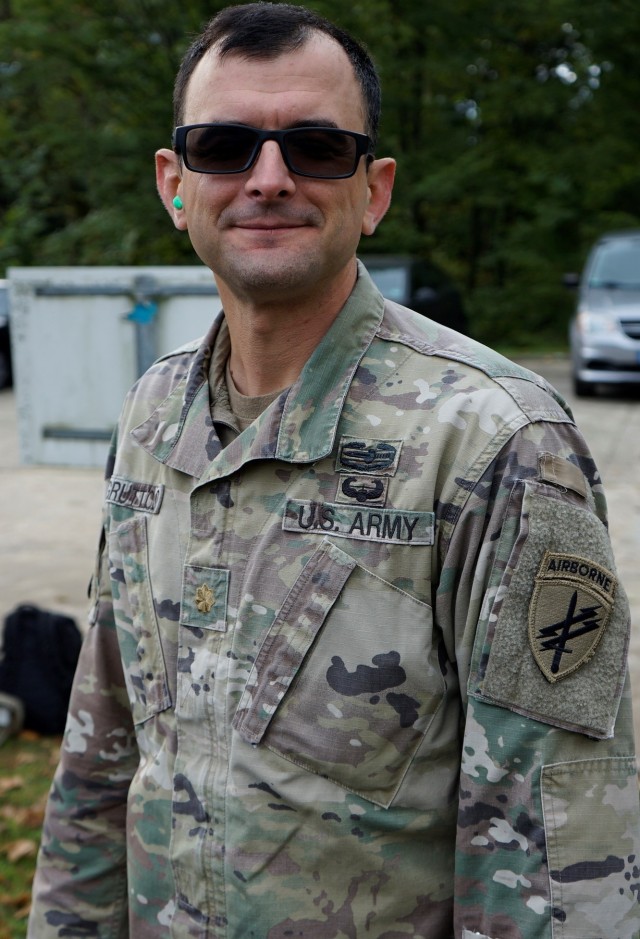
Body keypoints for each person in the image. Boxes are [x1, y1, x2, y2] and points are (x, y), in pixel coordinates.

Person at [28, 4, 640, 938]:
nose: (268, 179)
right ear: (174, 184)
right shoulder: (153, 415)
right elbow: (100, 752)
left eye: (316, 147)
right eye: (224, 145)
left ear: (375, 189)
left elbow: (557, 859)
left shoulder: (495, 444)